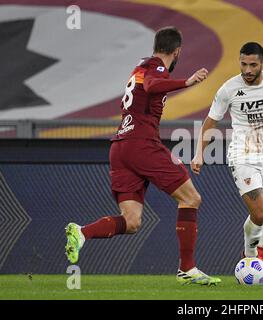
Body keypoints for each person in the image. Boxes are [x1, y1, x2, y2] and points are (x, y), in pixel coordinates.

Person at [65, 26, 221, 286]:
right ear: (177, 51)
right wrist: (187, 82)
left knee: (132, 221)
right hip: (141, 144)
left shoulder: (140, 67)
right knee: (191, 198)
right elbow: (152, 85)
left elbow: (145, 87)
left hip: (120, 148)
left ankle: (82, 232)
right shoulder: (156, 67)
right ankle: (187, 268)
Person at [191, 42, 263, 278]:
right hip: (242, 156)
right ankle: (250, 256)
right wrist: (198, 153)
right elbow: (210, 122)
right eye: (243, 64)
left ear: (262, 63)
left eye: (253, 65)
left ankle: (262, 244)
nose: (247, 69)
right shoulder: (229, 89)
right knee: (259, 213)